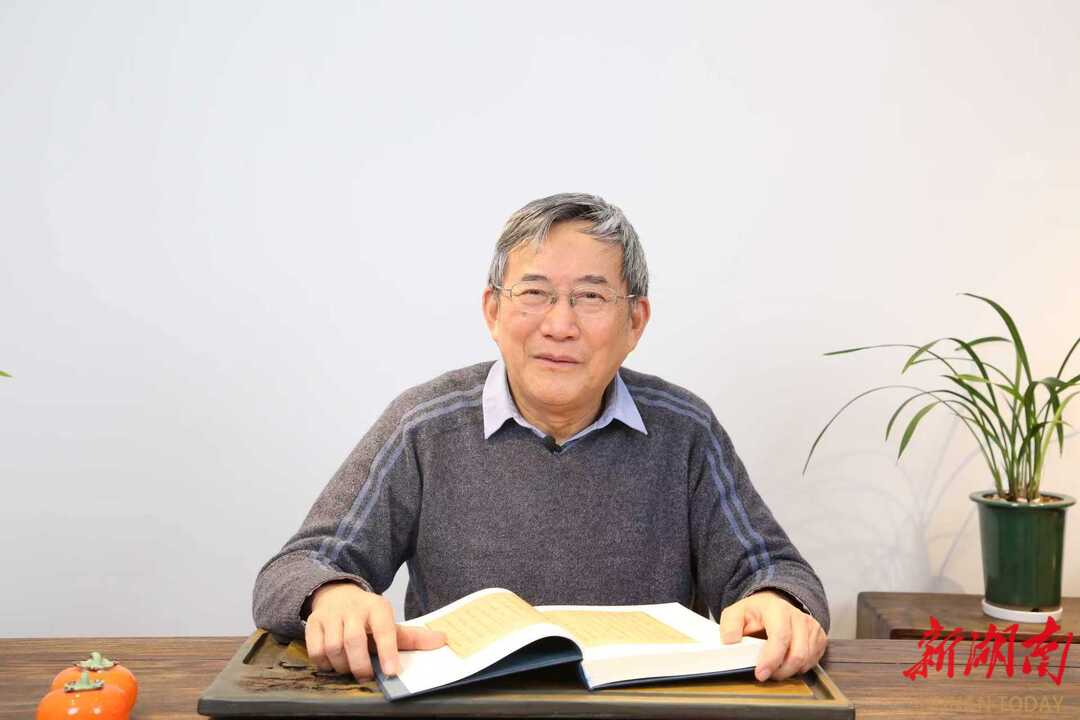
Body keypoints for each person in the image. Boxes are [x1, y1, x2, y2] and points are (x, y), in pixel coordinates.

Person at [252, 192, 830, 686]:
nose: (559, 325)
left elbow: (778, 572)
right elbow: (296, 568)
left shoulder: (685, 432)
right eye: (534, 293)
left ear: (635, 322)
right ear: (493, 311)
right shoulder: (424, 425)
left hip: (641, 711)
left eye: (591, 297)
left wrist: (777, 603)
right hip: (463, 711)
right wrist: (331, 595)